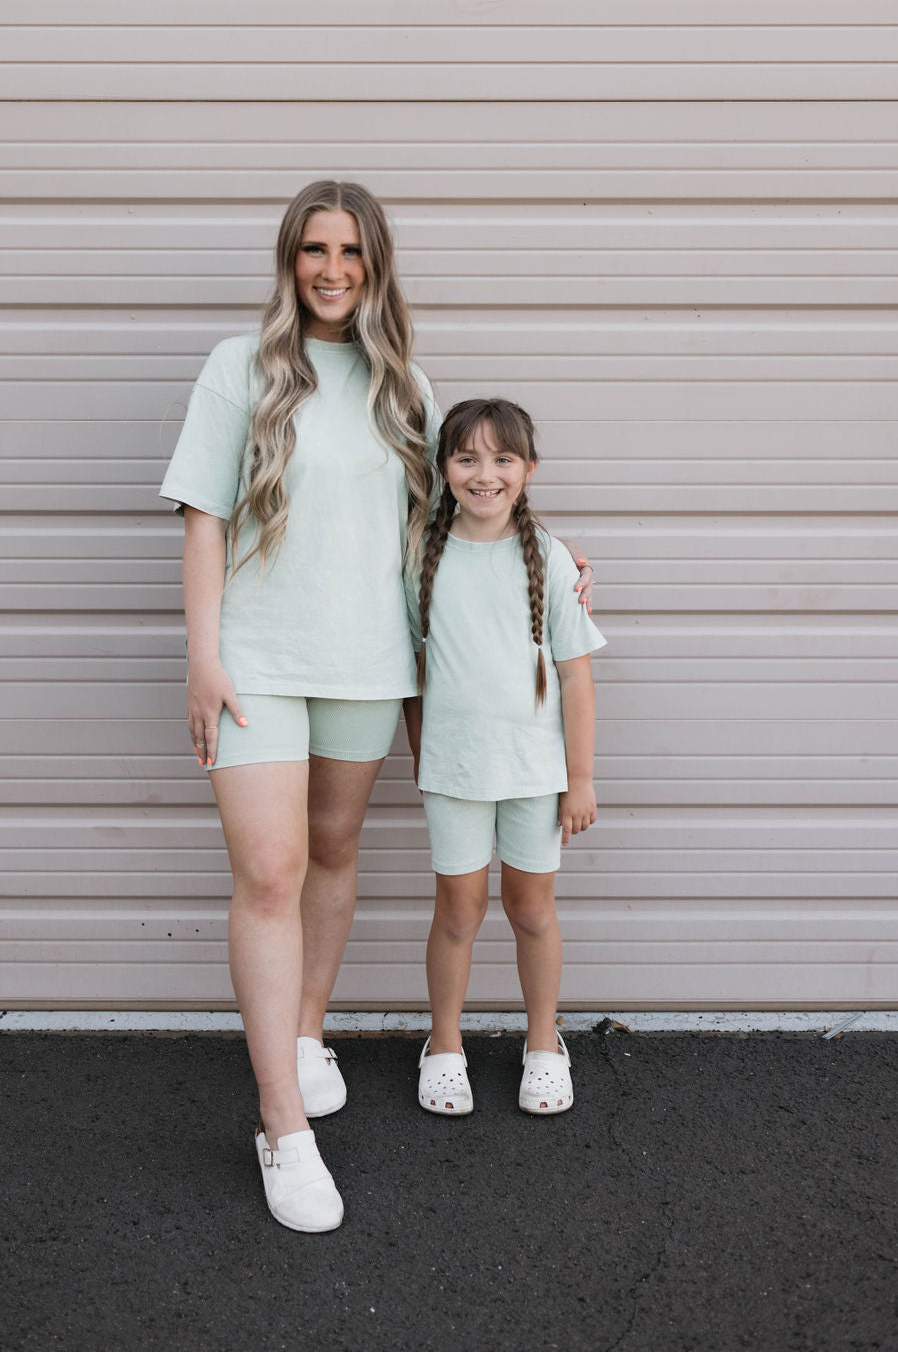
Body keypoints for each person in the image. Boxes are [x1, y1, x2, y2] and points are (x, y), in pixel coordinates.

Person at [161, 182, 594, 1231]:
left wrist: (557, 558)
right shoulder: (240, 366)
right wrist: (203, 656)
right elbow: (206, 519)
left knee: (336, 846)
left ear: (375, 263)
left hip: (367, 660)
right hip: (258, 659)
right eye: (313, 248)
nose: (330, 268)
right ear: (288, 259)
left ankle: (306, 1035)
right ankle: (282, 1127)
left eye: (350, 250)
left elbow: (462, 520)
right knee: (269, 871)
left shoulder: (404, 383)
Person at [403, 398, 606, 1119]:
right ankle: (446, 1043)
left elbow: (577, 674)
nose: (484, 474)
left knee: (531, 908)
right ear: (444, 467)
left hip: (535, 773)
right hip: (455, 775)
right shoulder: (420, 554)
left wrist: (579, 778)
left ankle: (545, 1041)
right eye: (466, 458)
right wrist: (428, 758)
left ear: (529, 470)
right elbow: (413, 679)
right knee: (457, 911)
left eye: (502, 459)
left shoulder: (549, 558)